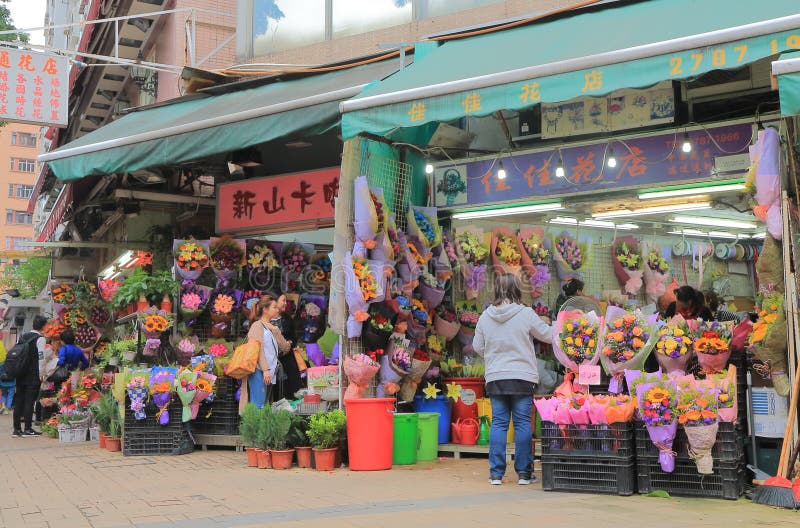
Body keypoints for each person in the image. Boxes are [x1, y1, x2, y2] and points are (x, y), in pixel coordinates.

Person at [473, 274, 553, 486]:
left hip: (496, 377)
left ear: (496, 290)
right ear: (517, 290)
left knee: (498, 423)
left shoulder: (485, 317)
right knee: (522, 424)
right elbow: (548, 335)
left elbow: (477, 346)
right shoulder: (526, 314)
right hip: (522, 377)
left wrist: (493, 356)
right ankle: (524, 474)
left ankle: (496, 474)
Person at [245, 295, 290, 409]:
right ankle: (255, 427)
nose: (277, 309)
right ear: (265, 309)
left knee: (264, 405)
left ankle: (260, 427)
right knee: (258, 405)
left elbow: (285, 348)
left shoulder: (272, 328)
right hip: (259, 371)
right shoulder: (257, 326)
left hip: (269, 373)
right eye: (274, 307)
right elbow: (257, 349)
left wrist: (276, 331)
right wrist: (265, 370)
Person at [13, 315, 47, 437]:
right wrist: (41, 374)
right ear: (43, 326)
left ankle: (16, 430)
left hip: (20, 373)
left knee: (19, 401)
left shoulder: (22, 336)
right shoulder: (40, 339)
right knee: (29, 401)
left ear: (33, 324)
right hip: (33, 374)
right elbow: (41, 358)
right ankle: (28, 428)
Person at [273, 293, 302, 400]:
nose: (286, 303)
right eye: (283, 300)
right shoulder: (265, 320)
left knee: (292, 387)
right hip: (273, 360)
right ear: (274, 302)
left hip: (288, 359)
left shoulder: (287, 318)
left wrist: (290, 343)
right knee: (276, 390)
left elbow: (294, 336)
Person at [0, 340, 14, 415]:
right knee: (10, 395)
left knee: (4, 394)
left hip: (3, 382)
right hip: (12, 382)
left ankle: (3, 406)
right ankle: (8, 408)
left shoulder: (2, 364)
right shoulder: (13, 364)